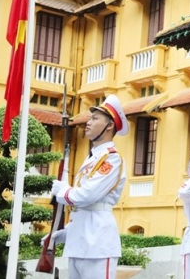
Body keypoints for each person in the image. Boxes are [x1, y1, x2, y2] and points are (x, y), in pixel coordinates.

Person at [44, 94, 129, 279]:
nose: (88, 122)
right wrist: (66, 233)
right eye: (90, 118)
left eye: (95, 118)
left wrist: (63, 191)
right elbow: (83, 207)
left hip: (98, 242)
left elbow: (87, 196)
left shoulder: (111, 158)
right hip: (79, 243)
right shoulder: (92, 157)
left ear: (110, 125)